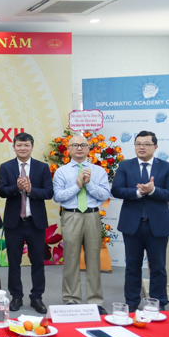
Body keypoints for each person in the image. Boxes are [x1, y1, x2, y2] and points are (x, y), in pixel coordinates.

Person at [112, 130, 169, 312]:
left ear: (155, 147)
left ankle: (159, 304)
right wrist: (138, 192)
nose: (141, 147)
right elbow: (117, 190)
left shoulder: (166, 167)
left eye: (146, 144)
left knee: (158, 267)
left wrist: (153, 191)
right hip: (132, 225)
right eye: (138, 144)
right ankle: (131, 303)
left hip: (158, 225)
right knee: (132, 266)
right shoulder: (125, 166)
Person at [53, 134, 111, 314]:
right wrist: (77, 186)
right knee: (71, 259)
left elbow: (104, 195)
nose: (79, 148)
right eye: (75, 145)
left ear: (88, 149)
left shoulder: (98, 171)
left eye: (83, 145)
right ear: (68, 149)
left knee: (94, 260)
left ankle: (95, 300)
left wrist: (89, 184)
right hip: (71, 216)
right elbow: (57, 196)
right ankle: (71, 299)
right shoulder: (61, 171)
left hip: (92, 216)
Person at [0, 132, 53, 315]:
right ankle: (16, 296)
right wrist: (17, 188)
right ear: (14, 147)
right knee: (14, 262)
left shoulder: (42, 167)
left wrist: (31, 190)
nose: (22, 148)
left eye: (26, 145)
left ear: (32, 147)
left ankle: (37, 297)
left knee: (37, 261)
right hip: (14, 223)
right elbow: (2, 191)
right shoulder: (6, 167)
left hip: (35, 223)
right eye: (19, 145)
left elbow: (48, 192)